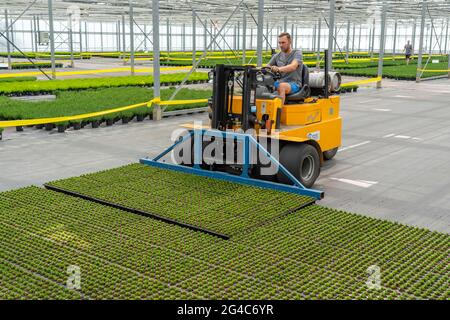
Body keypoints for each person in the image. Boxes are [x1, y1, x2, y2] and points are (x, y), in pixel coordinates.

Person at [266, 32, 303, 104]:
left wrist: (278, 69)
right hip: (280, 82)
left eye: (283, 42)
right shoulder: (277, 56)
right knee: (262, 84)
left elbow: (293, 66)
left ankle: (278, 112)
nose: (281, 45)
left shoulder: (297, 53)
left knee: (281, 86)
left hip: (294, 84)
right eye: (279, 43)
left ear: (290, 42)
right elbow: (267, 67)